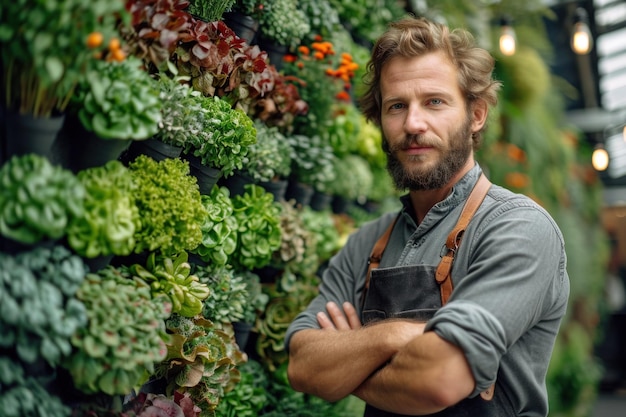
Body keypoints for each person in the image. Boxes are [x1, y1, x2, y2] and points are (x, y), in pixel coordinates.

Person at [285, 16, 570, 417]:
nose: (413, 124)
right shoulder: (366, 244)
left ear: (476, 115)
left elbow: (438, 381)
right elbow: (302, 366)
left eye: (434, 102)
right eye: (396, 106)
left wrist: (348, 363)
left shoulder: (517, 227)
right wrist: (397, 337)